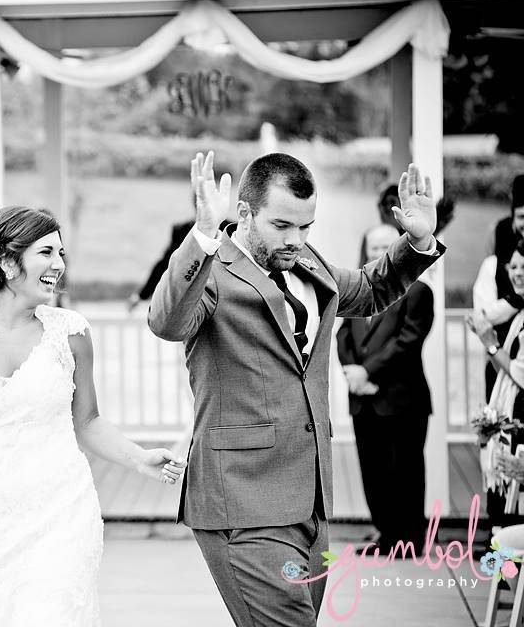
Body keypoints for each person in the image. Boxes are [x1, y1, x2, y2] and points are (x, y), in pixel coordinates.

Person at [147, 151, 443, 625]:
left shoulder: (305, 260)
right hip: (242, 503)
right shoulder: (213, 271)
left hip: (310, 502)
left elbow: (368, 291)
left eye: (306, 227)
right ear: (243, 213)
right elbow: (167, 320)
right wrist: (202, 235)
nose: (296, 240)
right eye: (282, 225)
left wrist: (417, 240)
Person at [0, 206, 186, 625]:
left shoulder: (70, 333)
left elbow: (88, 422)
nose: (59, 265)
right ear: (6, 261)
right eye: (46, 252)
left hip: (61, 513)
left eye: (61, 253)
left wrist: (138, 458)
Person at [337, 224, 434, 554]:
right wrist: (352, 373)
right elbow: (342, 336)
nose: (378, 254)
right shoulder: (357, 295)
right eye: (373, 248)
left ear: (398, 250)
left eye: (385, 247)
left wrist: (367, 371)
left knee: (404, 471)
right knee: (373, 472)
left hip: (401, 399)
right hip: (362, 400)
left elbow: (407, 342)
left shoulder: (419, 292)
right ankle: (386, 535)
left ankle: (410, 539)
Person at [467, 237, 524, 527]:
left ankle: (507, 568)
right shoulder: (518, 315)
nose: (518, 273)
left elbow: (521, 374)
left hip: (522, 424)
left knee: (516, 512)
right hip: (510, 415)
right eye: (513, 266)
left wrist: (490, 344)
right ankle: (503, 567)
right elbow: (505, 370)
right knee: (505, 507)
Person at [474, 175, 524, 397]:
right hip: (500, 360)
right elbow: (483, 316)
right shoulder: (494, 263)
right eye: (522, 216)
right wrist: (517, 300)